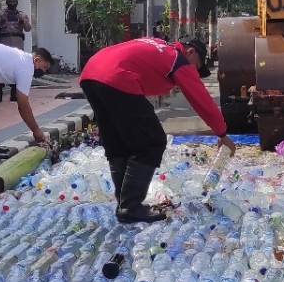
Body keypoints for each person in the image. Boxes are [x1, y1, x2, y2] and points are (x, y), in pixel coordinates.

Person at [79, 36, 236, 224]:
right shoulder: (178, 60)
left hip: (91, 72)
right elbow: (201, 99)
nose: (194, 71)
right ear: (191, 51)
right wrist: (222, 133)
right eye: (197, 66)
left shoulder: (159, 45)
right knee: (152, 142)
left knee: (118, 142)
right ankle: (130, 207)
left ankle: (125, 205)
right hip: (117, 77)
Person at [0, 0, 31, 102]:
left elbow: (28, 29)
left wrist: (22, 21)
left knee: (16, 68)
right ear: (7, 1)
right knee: (1, 67)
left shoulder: (22, 14)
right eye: (10, 1)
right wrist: (1, 20)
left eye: (14, 1)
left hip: (17, 42)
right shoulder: (0, 13)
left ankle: (14, 94)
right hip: (4, 42)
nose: (12, 3)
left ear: (17, 3)